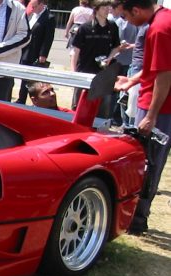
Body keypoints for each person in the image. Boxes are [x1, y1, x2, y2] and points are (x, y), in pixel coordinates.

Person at [113, 0, 171, 234]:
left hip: (160, 109)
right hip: (154, 103)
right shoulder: (163, 19)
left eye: (126, 17)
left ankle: (137, 220)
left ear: (136, 10)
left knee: (148, 164)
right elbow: (154, 67)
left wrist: (151, 116)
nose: (127, 22)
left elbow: (164, 76)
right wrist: (132, 80)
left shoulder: (159, 29)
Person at [70, 0, 121, 113]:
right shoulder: (84, 28)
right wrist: (73, 72)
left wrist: (109, 58)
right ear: (96, 9)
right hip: (85, 71)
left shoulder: (112, 27)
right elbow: (75, 50)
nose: (107, 10)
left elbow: (116, 47)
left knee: (102, 108)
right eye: (104, 8)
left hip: (104, 73)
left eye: (109, 8)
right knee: (79, 105)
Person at [16, 0, 55, 104]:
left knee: (33, 79)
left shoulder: (49, 17)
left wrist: (43, 54)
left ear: (41, 5)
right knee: (25, 76)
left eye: (34, 6)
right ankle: (22, 99)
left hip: (36, 52)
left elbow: (48, 38)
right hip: (27, 50)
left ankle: (30, 100)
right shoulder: (33, 15)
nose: (32, 9)